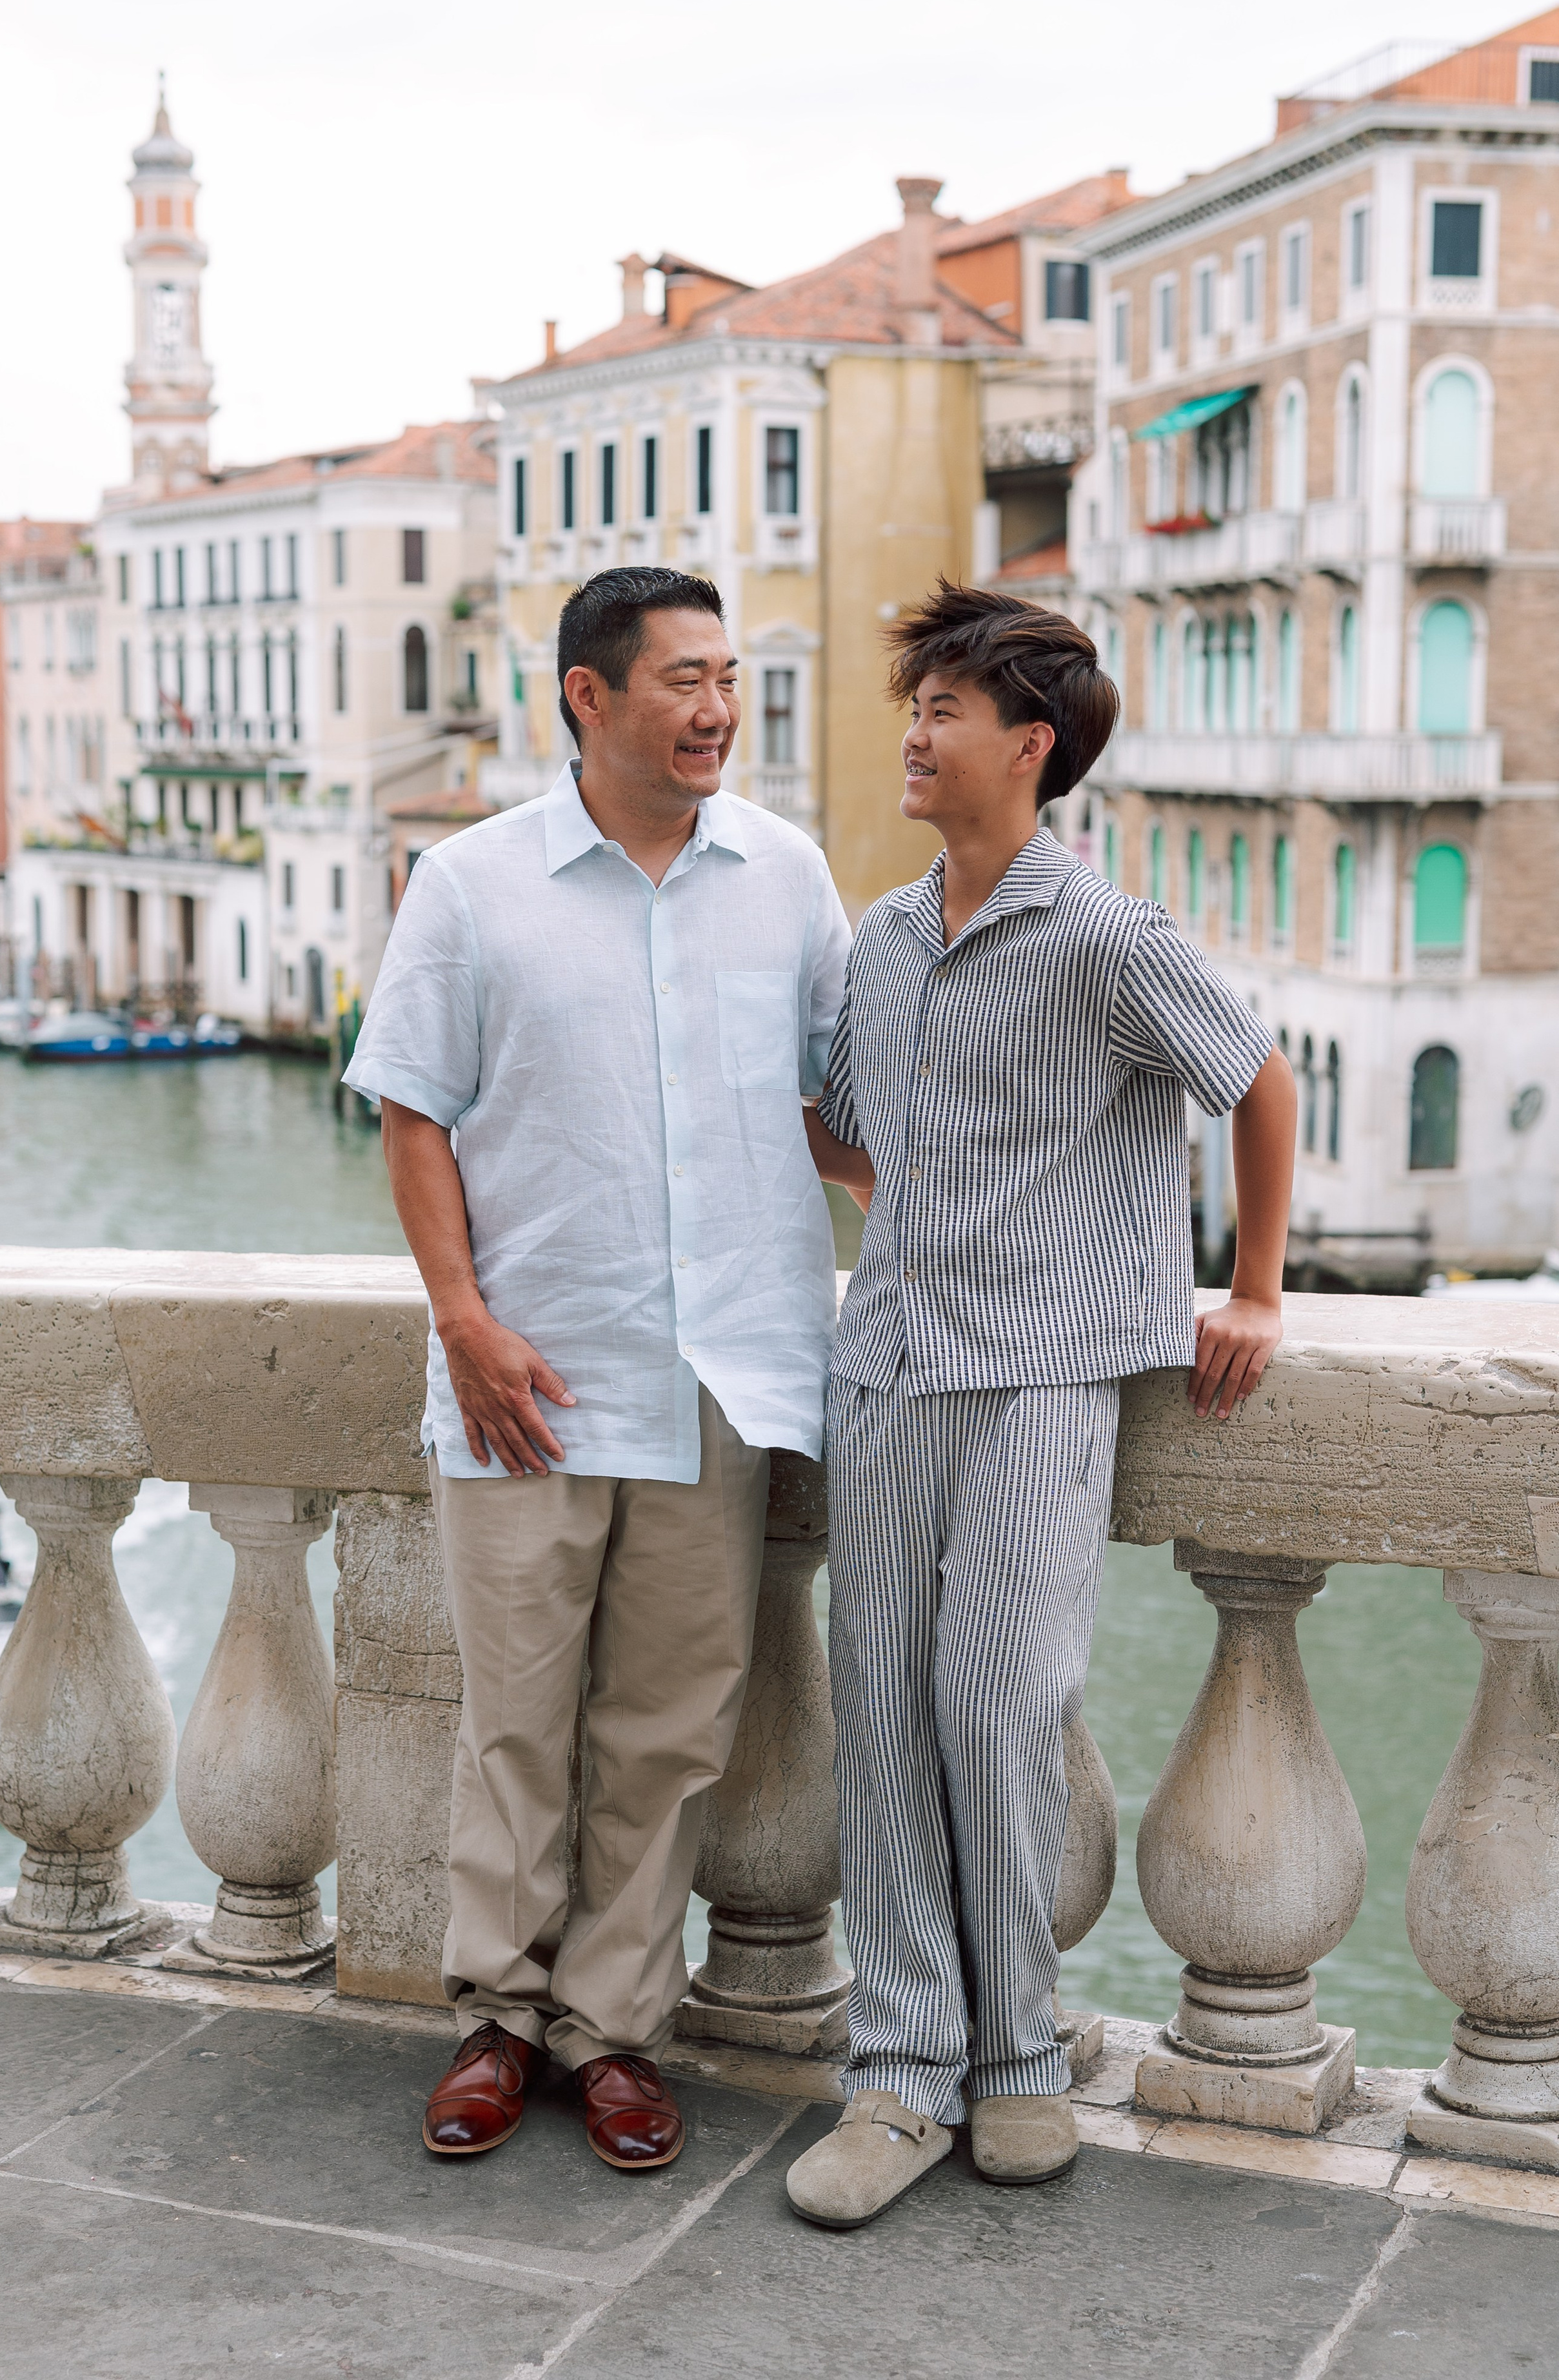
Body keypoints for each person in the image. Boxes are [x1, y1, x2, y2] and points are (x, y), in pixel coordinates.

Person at [789, 582, 1295, 2230]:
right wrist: (931, 1202)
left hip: (1041, 1377)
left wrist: (1254, 1288)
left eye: (940, 709)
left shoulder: (1107, 936)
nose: (912, 733)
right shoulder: (874, 935)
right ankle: (896, 2066)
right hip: (886, 1367)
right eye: (912, 705)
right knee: (875, 1707)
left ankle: (1011, 2061)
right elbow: (842, 1127)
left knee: (1003, 1699)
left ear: (1029, 744)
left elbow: (1255, 1076)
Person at [344, 567, 849, 2176]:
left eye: (727, 680)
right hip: (527, 1372)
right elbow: (410, 1109)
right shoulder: (473, 882)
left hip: (720, 1376)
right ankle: (498, 2013)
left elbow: (838, 1104)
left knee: (669, 1727)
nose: (716, 709)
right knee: (516, 1720)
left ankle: (610, 2032)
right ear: (587, 694)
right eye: (682, 680)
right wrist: (462, 1320)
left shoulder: (787, 874)